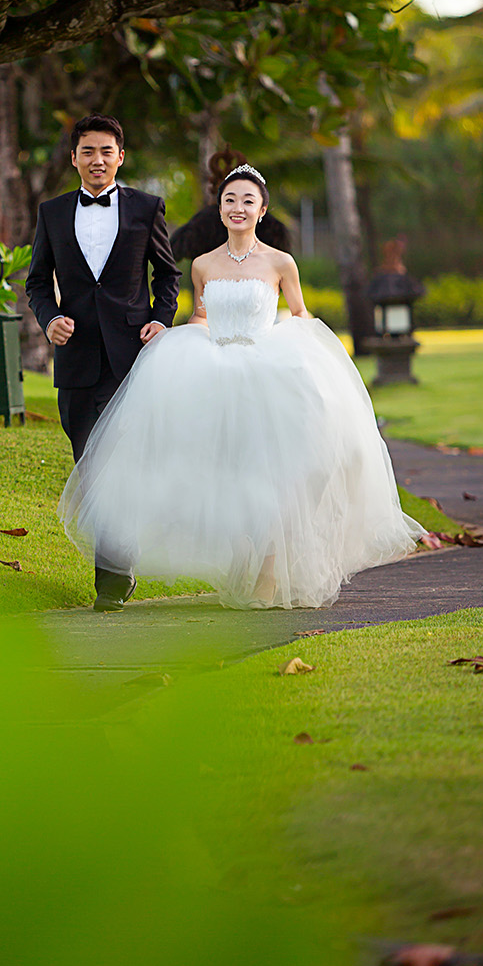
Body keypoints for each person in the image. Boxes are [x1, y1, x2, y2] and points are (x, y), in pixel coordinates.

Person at [59, 164, 422, 610]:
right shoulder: (203, 264)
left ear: (262, 210)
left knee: (278, 473)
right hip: (215, 366)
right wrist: (179, 340)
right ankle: (240, 561)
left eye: (248, 201)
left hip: (266, 364)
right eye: (230, 200)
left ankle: (270, 572)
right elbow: (201, 316)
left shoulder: (280, 262)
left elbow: (299, 313)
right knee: (230, 472)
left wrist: (315, 357)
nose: (238, 208)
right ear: (220, 207)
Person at [25, 114, 181, 609]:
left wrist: (160, 319)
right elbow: (35, 282)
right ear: (74, 158)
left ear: (120, 156)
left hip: (128, 357)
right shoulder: (51, 212)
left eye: (106, 151)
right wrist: (49, 320)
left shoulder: (146, 208)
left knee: (117, 464)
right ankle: (119, 564)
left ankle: (111, 581)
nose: (97, 160)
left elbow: (168, 275)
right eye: (87, 151)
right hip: (74, 361)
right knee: (88, 467)